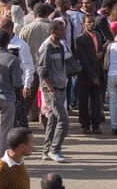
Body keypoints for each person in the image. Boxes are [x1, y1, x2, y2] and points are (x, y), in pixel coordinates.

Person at [37, 20, 69, 163]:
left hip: (61, 86)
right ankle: (55, 149)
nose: (64, 32)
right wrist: (49, 89)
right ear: (53, 31)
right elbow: (42, 71)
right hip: (52, 89)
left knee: (53, 119)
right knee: (63, 119)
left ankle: (47, 150)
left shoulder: (60, 46)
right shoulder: (47, 48)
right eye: (61, 30)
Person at [0, 29, 22, 162]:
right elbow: (17, 83)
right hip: (7, 98)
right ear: (9, 41)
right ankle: (1, 162)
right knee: (5, 132)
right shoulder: (12, 58)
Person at [75, 14, 104, 135]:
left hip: (97, 71)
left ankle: (96, 124)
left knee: (96, 101)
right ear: (83, 24)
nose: (91, 24)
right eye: (89, 22)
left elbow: (100, 50)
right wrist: (93, 76)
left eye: (93, 22)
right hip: (85, 75)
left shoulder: (97, 35)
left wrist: (101, 54)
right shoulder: (80, 38)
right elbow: (84, 60)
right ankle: (85, 125)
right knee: (84, 102)